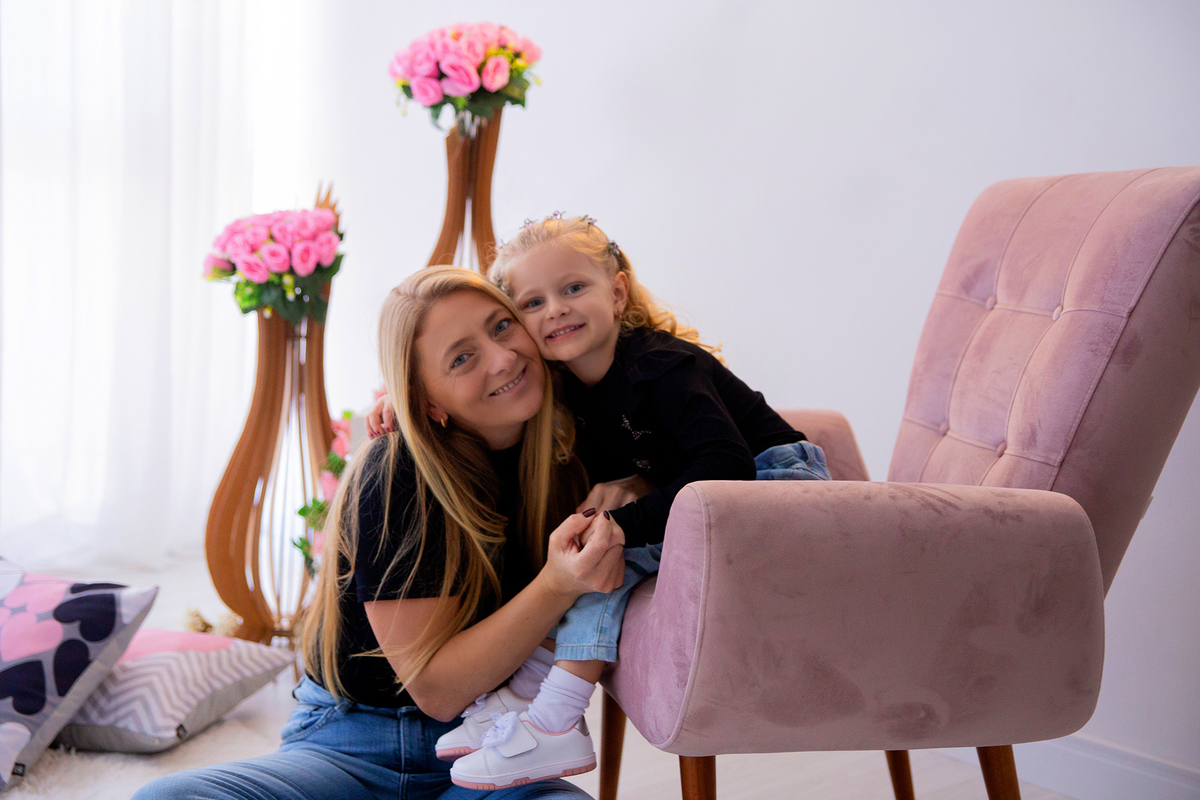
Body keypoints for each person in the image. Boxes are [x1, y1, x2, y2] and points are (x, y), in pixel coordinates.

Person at [368, 216, 830, 790]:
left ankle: (556, 721)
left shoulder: (664, 368)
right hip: (704, 494)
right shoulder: (563, 385)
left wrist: (623, 523)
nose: (556, 310)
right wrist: (403, 396)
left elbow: (727, 467)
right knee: (593, 564)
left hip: (774, 486)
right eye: (533, 303)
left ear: (617, 291)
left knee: (602, 565)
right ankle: (520, 702)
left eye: (573, 289)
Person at [133, 266, 626, 800]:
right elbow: (436, 690)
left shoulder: (573, 451)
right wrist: (557, 584)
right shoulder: (398, 468)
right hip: (348, 748)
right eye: (461, 357)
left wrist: (640, 478)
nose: (502, 358)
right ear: (425, 400)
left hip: (488, 749)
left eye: (501, 327)